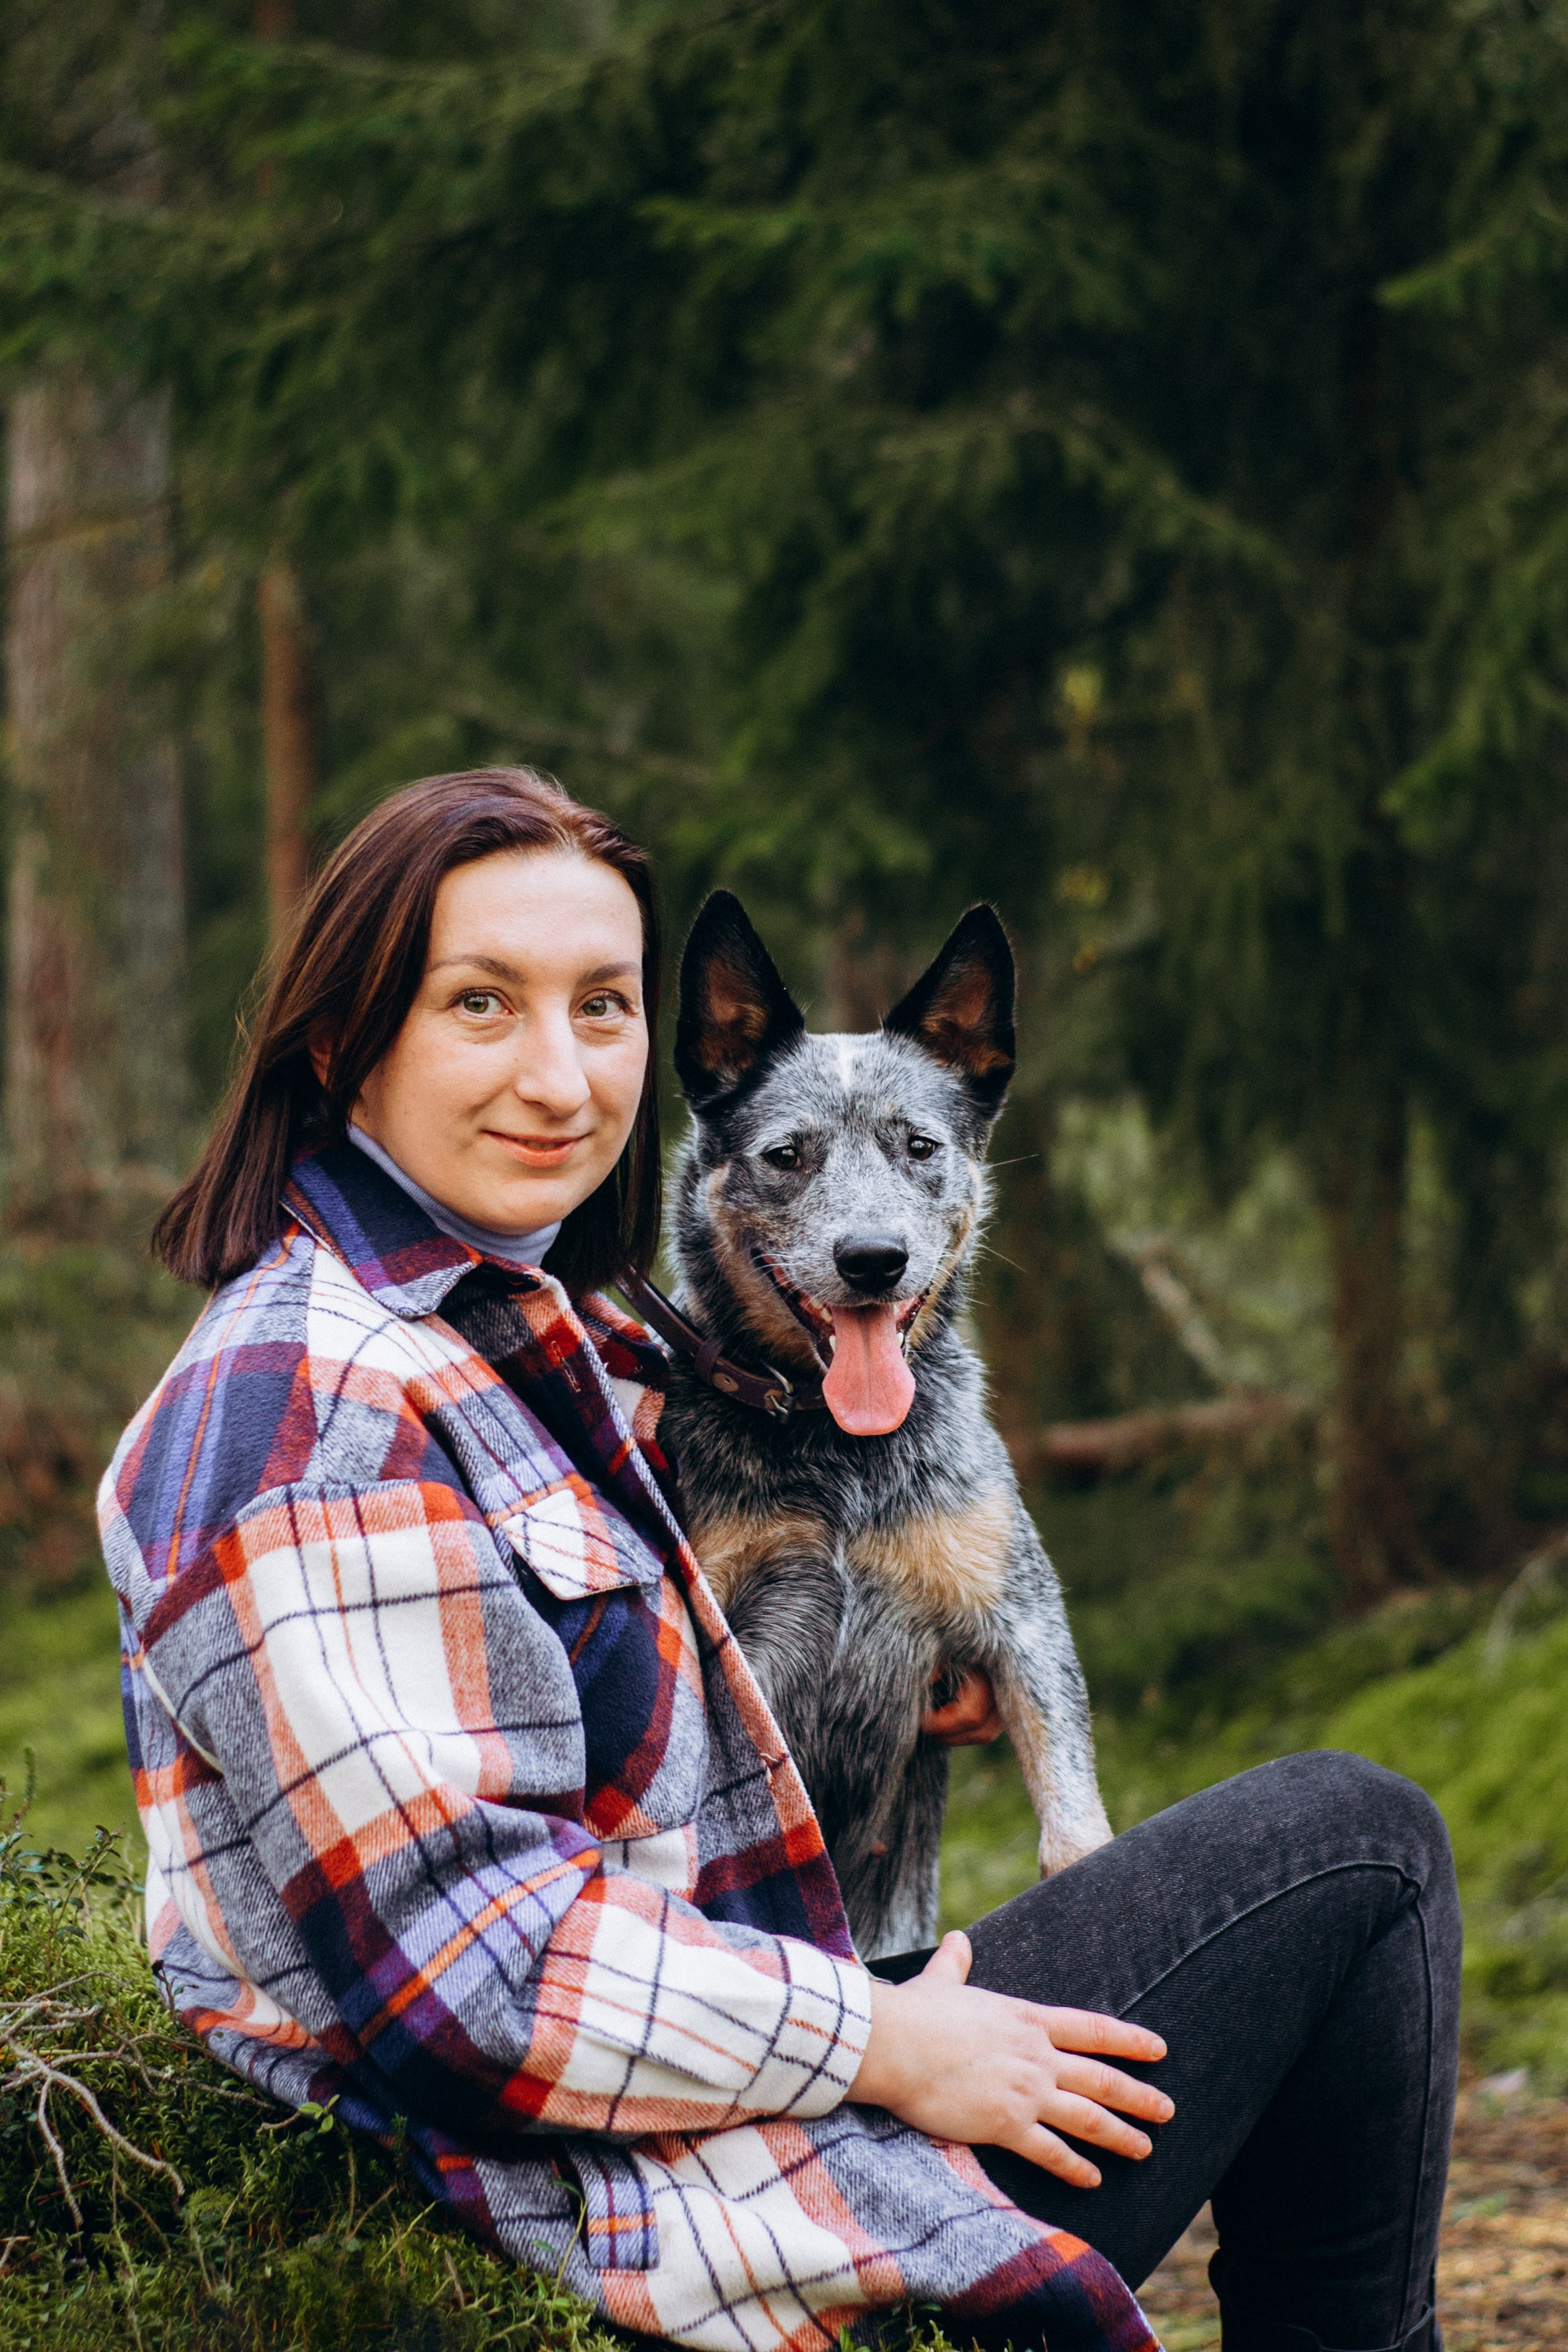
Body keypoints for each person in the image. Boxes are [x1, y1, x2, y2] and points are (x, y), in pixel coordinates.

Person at [100, 768, 1458, 2352]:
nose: (558, 1075)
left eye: (601, 1007)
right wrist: (885, 2043)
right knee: (1353, 1847)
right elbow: (474, 1985)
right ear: (339, 1045)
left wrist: (876, 1666)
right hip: (652, 2236)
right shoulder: (299, 1416)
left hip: (718, 2105)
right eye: (481, 1004)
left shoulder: (509, 1334)